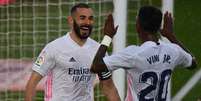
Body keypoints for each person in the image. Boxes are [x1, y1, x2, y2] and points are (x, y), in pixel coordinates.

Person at [91, 6, 197, 101]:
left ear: (138, 26)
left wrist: (107, 37)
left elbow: (96, 66)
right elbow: (192, 63)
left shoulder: (134, 54)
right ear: (158, 27)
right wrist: (170, 36)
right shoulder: (173, 50)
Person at [25, 3, 120, 101]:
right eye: (82, 18)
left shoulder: (99, 50)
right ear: (71, 20)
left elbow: (108, 86)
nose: (87, 22)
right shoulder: (54, 48)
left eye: (90, 18)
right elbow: (32, 83)